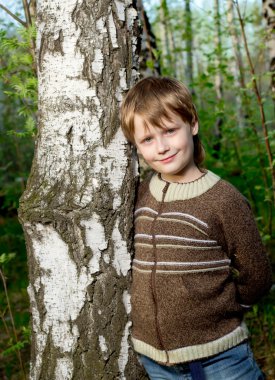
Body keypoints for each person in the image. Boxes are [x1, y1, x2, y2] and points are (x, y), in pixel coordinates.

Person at [120, 76, 272, 380]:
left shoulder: (223, 199)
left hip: (222, 360)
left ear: (193, 124)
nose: (161, 147)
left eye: (170, 131)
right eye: (147, 139)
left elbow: (258, 275)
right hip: (156, 364)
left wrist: (223, 310)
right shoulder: (138, 193)